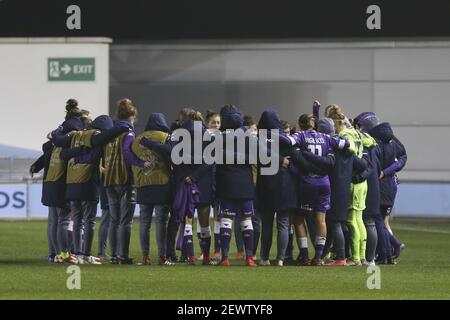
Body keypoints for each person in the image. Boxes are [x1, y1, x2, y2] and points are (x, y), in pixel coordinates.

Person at [289, 113, 353, 266]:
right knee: (321, 220)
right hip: (325, 183)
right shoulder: (327, 139)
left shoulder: (301, 137)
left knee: (298, 219)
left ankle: (304, 256)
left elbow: (290, 145)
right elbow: (347, 145)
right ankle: (318, 257)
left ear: (300, 125)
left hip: (308, 182)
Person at [327, 105, 376, 266]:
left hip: (353, 180)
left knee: (352, 221)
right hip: (363, 183)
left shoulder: (345, 134)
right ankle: (362, 257)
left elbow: (351, 154)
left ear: (336, 124)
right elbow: (371, 141)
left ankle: (356, 257)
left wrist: (356, 162)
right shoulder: (356, 132)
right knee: (359, 219)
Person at [216, 105, 257, 267]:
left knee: (226, 219)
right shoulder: (248, 136)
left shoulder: (218, 137)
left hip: (226, 183)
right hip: (245, 183)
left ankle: (225, 258)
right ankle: (249, 258)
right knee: (246, 220)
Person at [133, 113, 175, 266]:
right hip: (162, 182)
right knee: (161, 222)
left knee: (144, 222)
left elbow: (132, 159)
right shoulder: (165, 137)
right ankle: (162, 257)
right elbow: (173, 155)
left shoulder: (137, 139)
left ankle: (145, 257)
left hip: (143, 182)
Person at [256, 111, 297, 267]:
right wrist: (282, 160)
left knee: (266, 224)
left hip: (266, 186)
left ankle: (264, 258)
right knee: (283, 223)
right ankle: (280, 258)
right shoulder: (287, 140)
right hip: (286, 185)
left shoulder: (259, 139)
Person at [103, 99, 137, 264]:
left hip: (109, 180)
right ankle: (122, 255)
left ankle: (113, 255)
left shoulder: (110, 135)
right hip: (125, 179)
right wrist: (142, 164)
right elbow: (128, 155)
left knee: (114, 220)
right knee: (126, 220)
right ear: (132, 117)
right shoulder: (129, 133)